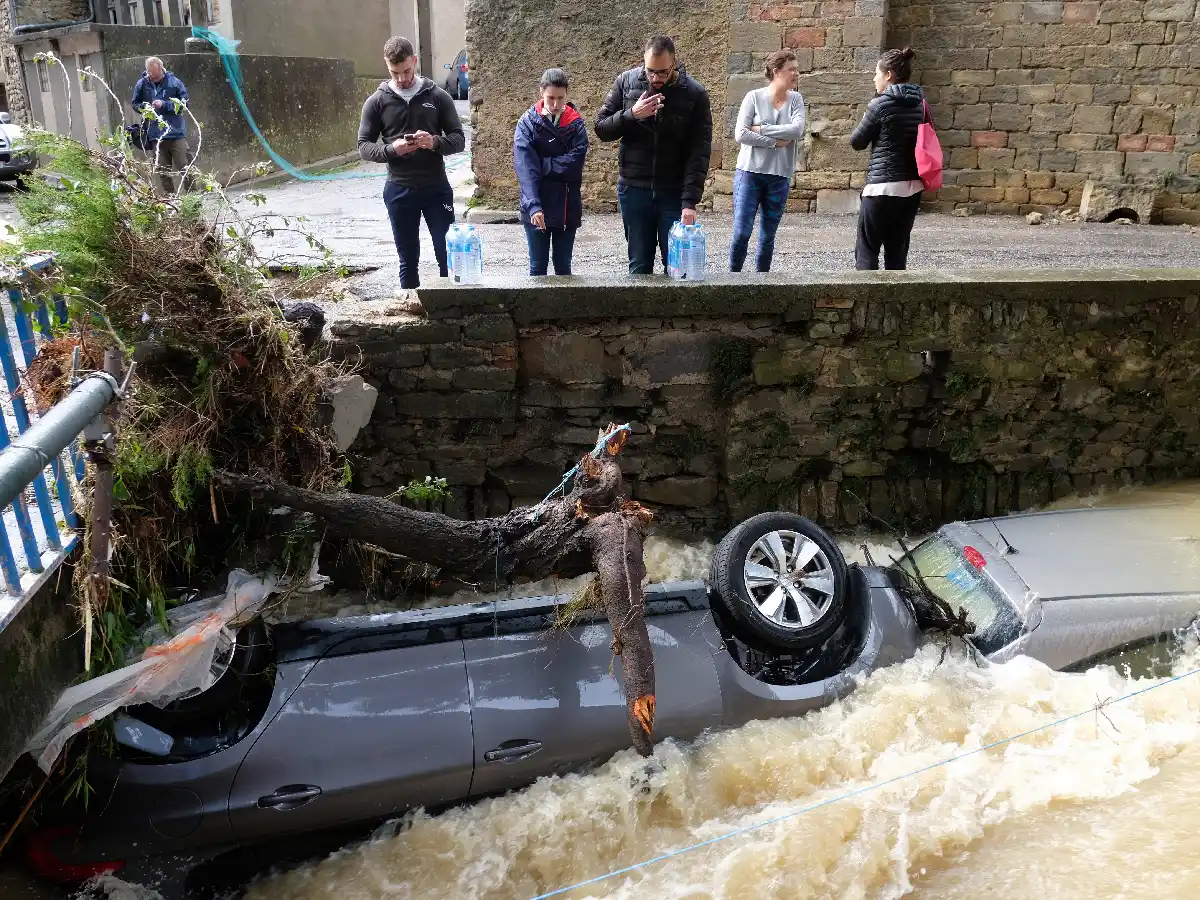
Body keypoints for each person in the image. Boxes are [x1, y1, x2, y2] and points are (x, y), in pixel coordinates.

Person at [595, 35, 713, 275]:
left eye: (663, 72)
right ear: (643, 63)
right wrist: (631, 114)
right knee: (639, 267)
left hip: (673, 192)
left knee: (678, 269)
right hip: (634, 190)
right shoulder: (626, 82)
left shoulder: (694, 93)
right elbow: (601, 128)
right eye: (650, 72)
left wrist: (689, 202)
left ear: (674, 63)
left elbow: (699, 152)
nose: (656, 78)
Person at [358, 36, 466, 290]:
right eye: (394, 73)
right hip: (399, 189)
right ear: (387, 66)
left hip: (435, 187)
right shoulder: (377, 101)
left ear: (414, 61)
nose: (401, 78)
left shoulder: (438, 96)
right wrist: (391, 149)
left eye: (406, 71)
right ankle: (410, 306)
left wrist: (434, 142)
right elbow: (363, 146)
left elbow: (459, 140)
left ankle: (450, 306)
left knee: (446, 254)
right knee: (407, 258)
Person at [850, 46, 926, 271]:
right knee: (897, 254)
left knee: (867, 253)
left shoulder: (879, 104)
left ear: (889, 75)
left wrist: (871, 109)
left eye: (877, 73)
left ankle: (867, 294)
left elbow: (857, 142)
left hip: (881, 189)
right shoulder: (921, 104)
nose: (874, 78)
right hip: (912, 189)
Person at [730, 49, 805, 273]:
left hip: (779, 177)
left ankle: (762, 283)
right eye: (791, 69)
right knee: (742, 233)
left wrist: (761, 129)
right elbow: (741, 134)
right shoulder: (753, 97)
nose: (796, 74)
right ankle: (731, 280)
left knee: (768, 236)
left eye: (797, 70)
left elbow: (796, 130)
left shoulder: (796, 99)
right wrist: (774, 142)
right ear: (776, 72)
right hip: (749, 174)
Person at [514, 68, 589, 276]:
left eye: (560, 98)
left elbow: (576, 161)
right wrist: (534, 206)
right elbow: (525, 169)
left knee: (563, 267)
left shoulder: (576, 123)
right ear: (541, 93)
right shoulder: (527, 123)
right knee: (537, 267)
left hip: (567, 204)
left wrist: (543, 165)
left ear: (567, 95)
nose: (555, 104)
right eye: (550, 98)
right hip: (537, 200)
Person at [131, 57, 190, 195]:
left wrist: (164, 105)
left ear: (161, 69)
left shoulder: (174, 83)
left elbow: (185, 104)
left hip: (175, 133)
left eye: (155, 75)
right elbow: (135, 104)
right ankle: (171, 200)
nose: (151, 77)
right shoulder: (142, 84)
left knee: (186, 168)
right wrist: (144, 107)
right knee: (163, 172)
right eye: (149, 74)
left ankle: (193, 198)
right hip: (155, 135)